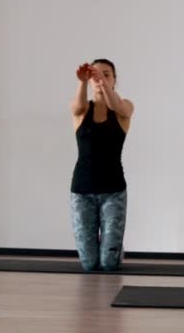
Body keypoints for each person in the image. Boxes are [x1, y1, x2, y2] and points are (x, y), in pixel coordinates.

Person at [69, 58, 134, 271]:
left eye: (106, 74)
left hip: (113, 192)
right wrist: (82, 82)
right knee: (89, 264)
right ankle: (105, 245)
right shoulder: (81, 110)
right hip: (82, 193)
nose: (99, 78)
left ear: (114, 79)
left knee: (108, 264)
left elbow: (117, 105)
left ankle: (113, 247)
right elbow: (77, 106)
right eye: (95, 75)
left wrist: (103, 84)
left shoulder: (124, 108)